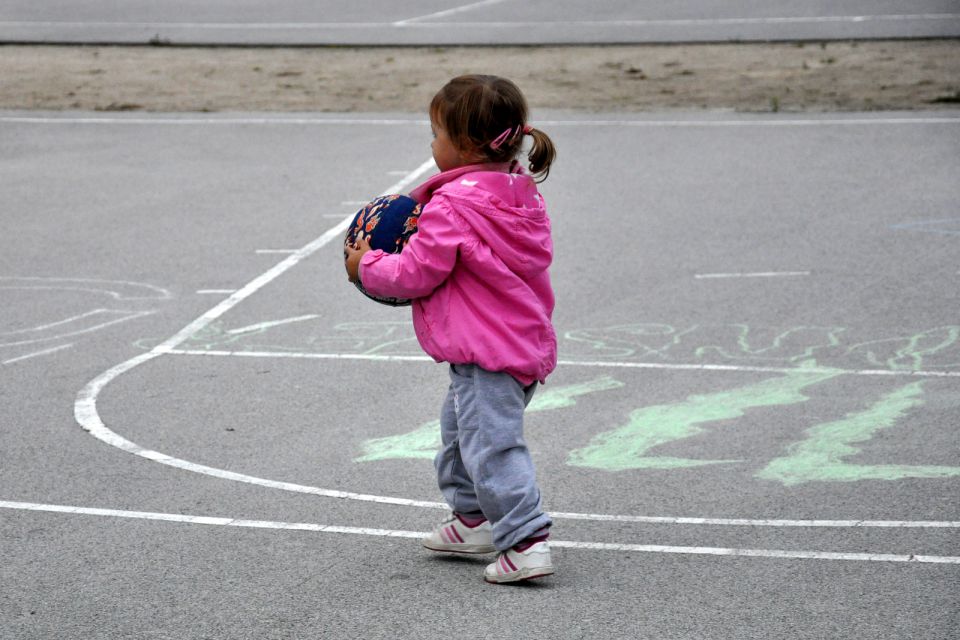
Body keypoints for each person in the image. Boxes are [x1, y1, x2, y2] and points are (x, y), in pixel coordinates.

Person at [344, 74, 558, 584]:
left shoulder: (451, 208)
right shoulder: (517, 192)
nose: (431, 144)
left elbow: (416, 271)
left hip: (488, 351)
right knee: (460, 434)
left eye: (435, 134)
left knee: (491, 446)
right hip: (510, 342)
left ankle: (526, 540)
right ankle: (474, 519)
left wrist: (365, 264)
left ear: (464, 145)